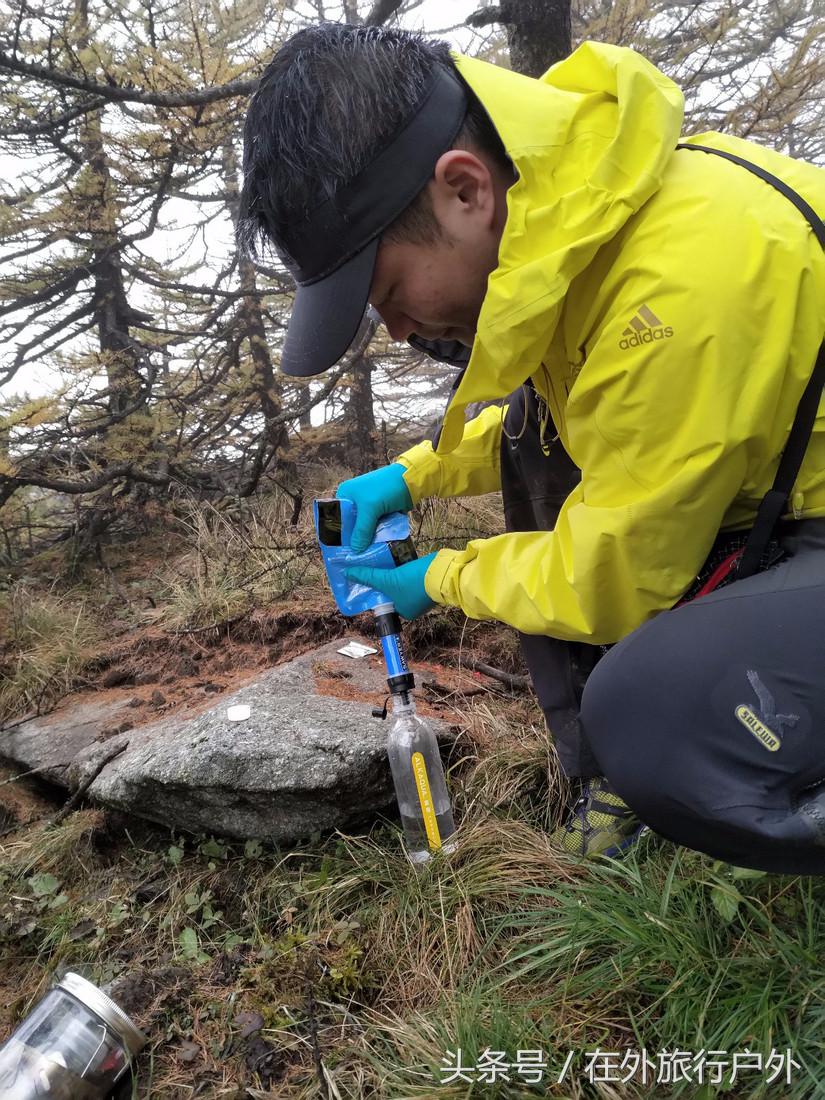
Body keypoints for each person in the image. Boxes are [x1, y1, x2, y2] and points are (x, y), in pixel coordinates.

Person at [238, 23, 825, 871]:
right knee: (527, 440)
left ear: (464, 189)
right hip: (781, 499)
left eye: (389, 291)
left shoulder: (679, 286)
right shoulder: (581, 221)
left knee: (650, 719)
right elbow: (567, 411)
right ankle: (615, 773)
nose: (396, 327)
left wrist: (437, 577)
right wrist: (412, 475)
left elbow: (610, 577)